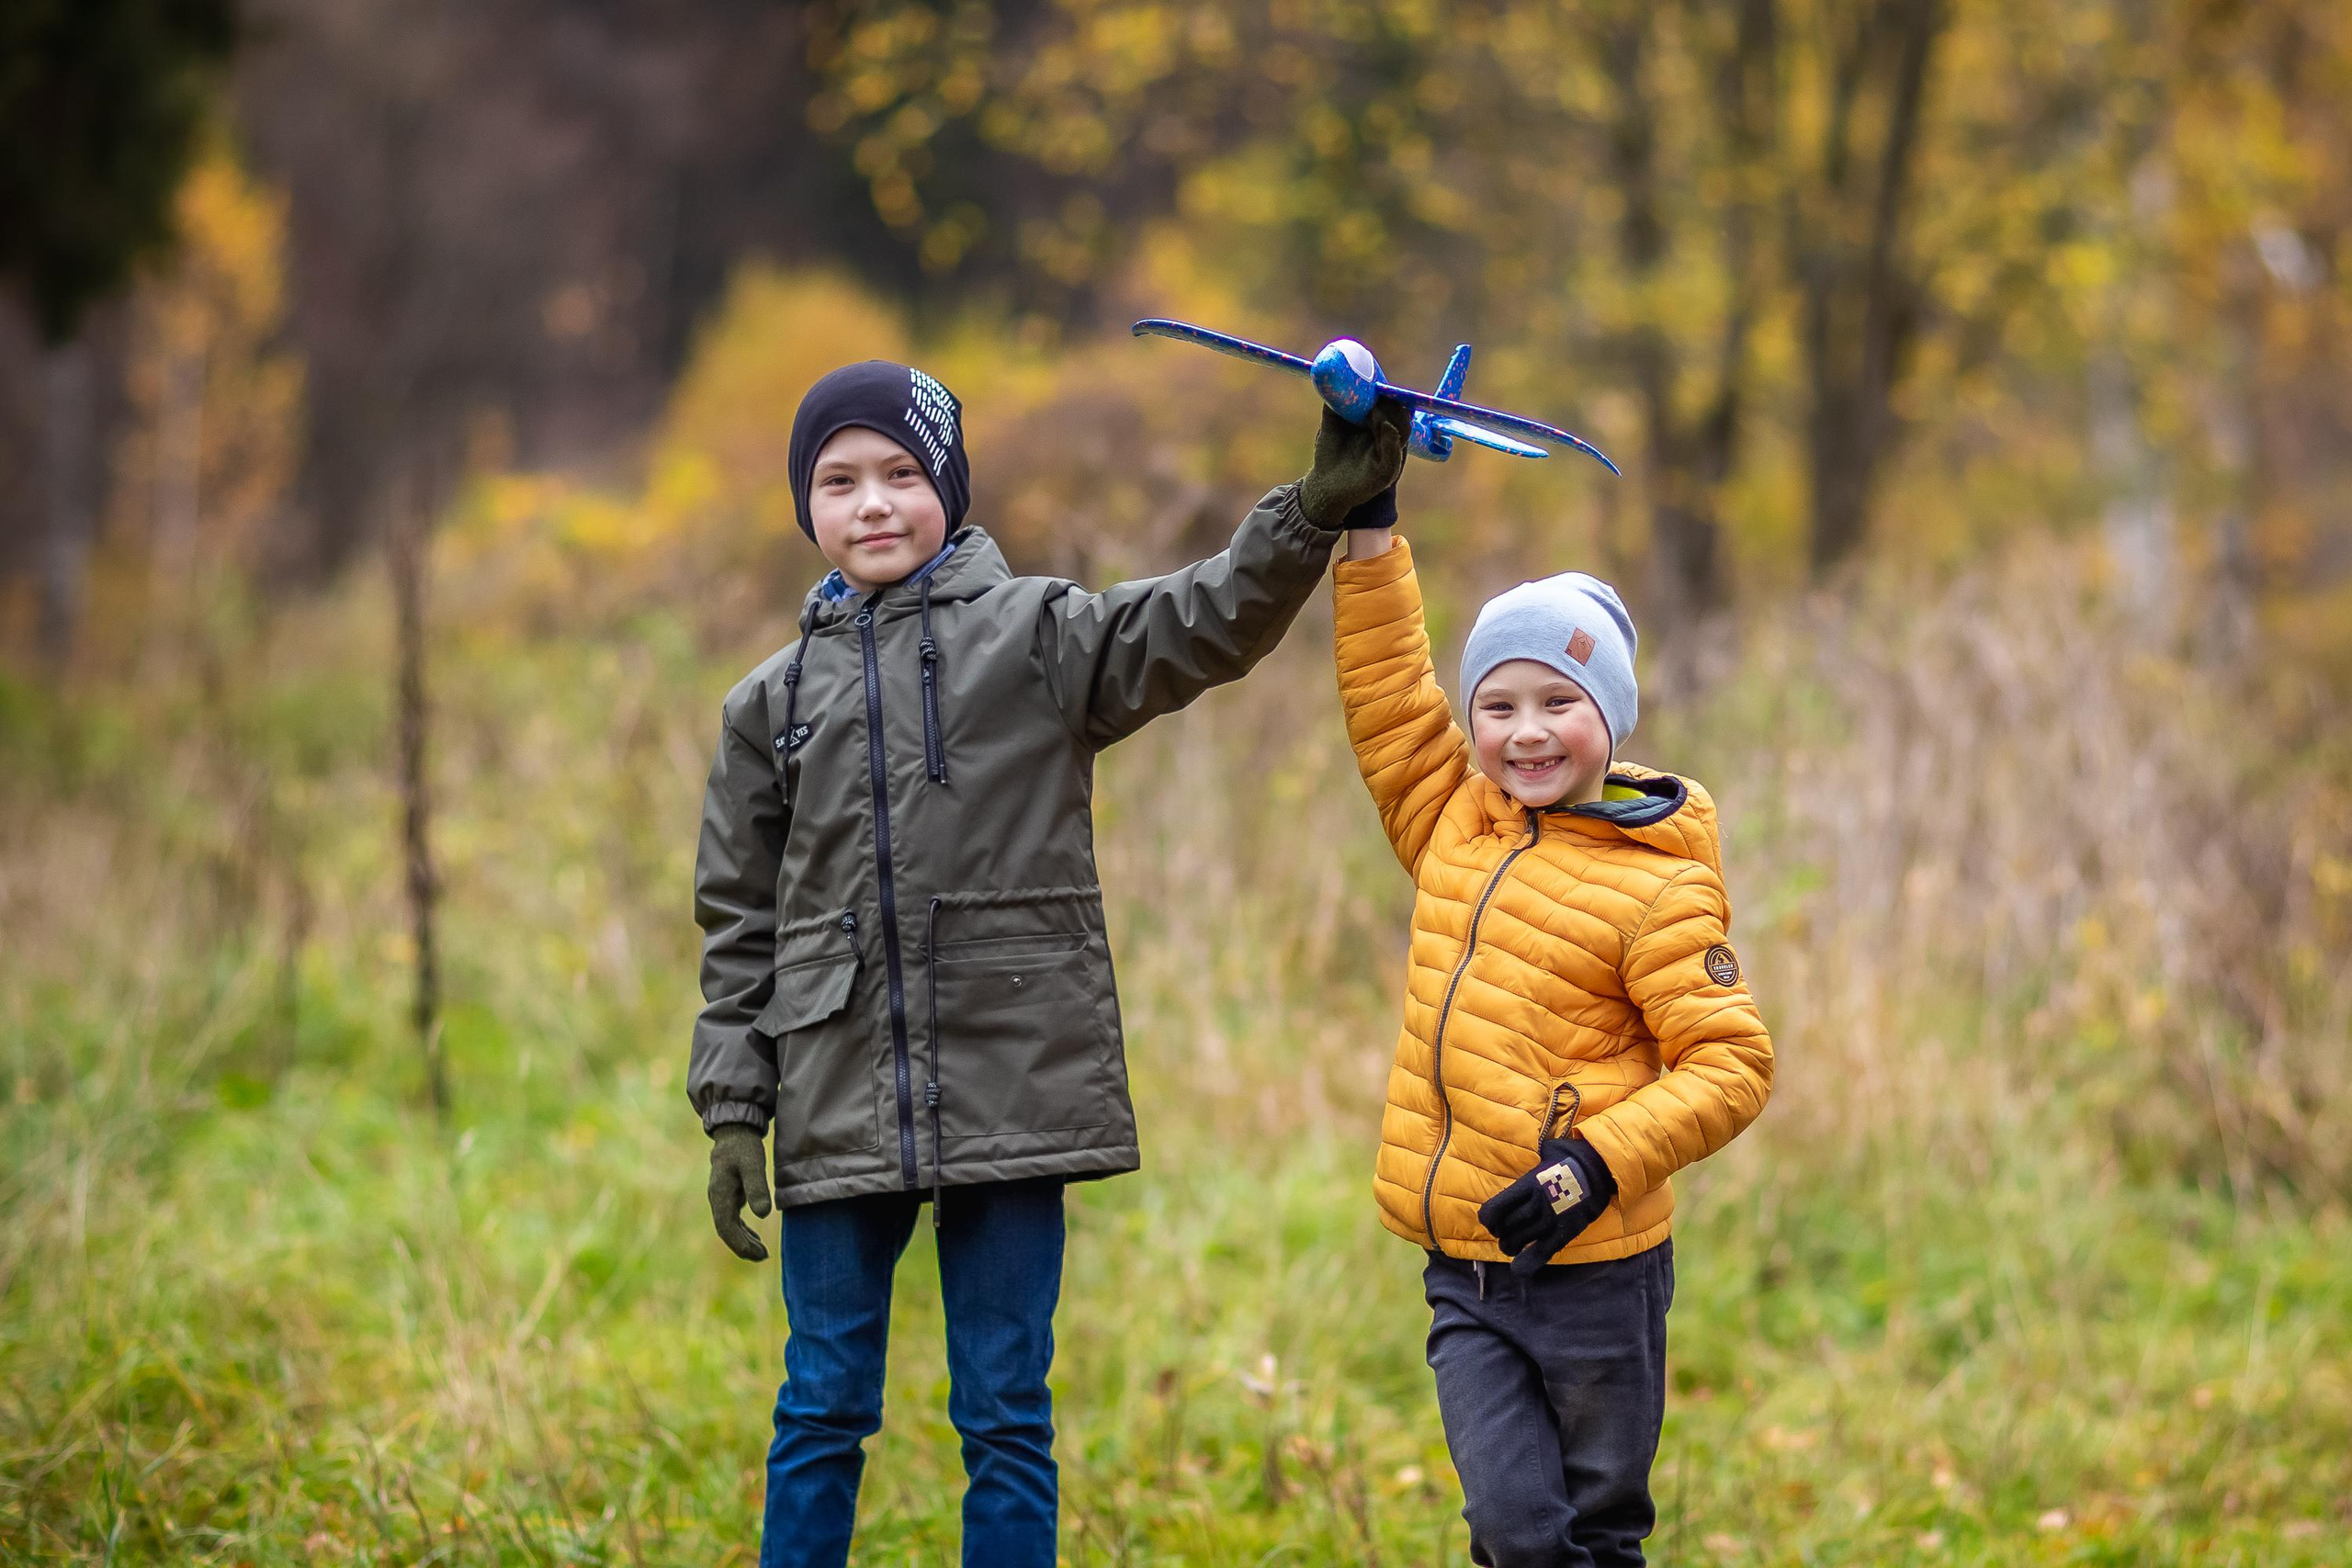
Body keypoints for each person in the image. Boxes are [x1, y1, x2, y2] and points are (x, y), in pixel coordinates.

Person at [689, 357, 1409, 1568]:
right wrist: (730, 1104)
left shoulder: (1040, 638)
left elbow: (1201, 617)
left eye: (902, 475)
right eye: (839, 480)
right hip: (833, 1086)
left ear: (953, 489)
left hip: (1010, 1080)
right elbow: (738, 923)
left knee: (1005, 1411)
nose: (872, 503)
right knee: (819, 1403)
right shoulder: (767, 704)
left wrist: (1311, 509)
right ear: (805, 505)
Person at [1329, 516, 1775, 1567]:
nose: (1526, 733)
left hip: (1597, 1276)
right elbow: (1389, 695)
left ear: (1610, 717)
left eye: (1559, 703)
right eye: (1499, 706)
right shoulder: (1452, 821)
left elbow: (1733, 1063)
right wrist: (1368, 535)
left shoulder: (1656, 886)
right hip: (1466, 1270)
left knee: (1598, 1531)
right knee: (1515, 1533)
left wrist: (1592, 1167)